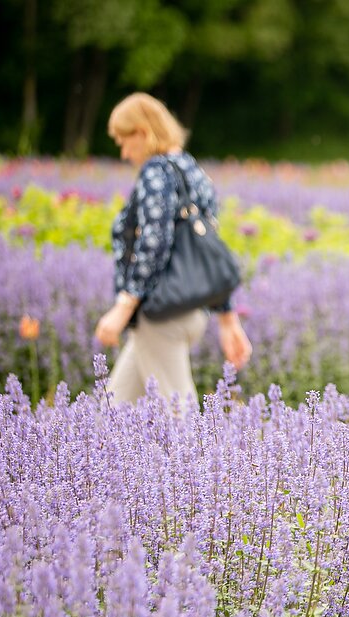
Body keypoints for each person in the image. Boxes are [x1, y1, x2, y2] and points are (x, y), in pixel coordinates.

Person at [95, 92, 251, 406]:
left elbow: (154, 242)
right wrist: (227, 317)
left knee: (182, 421)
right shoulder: (191, 169)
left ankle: (217, 458)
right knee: (111, 413)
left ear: (142, 132)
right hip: (192, 311)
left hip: (161, 317)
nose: (124, 153)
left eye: (124, 142)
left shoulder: (155, 172)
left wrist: (123, 308)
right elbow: (208, 248)